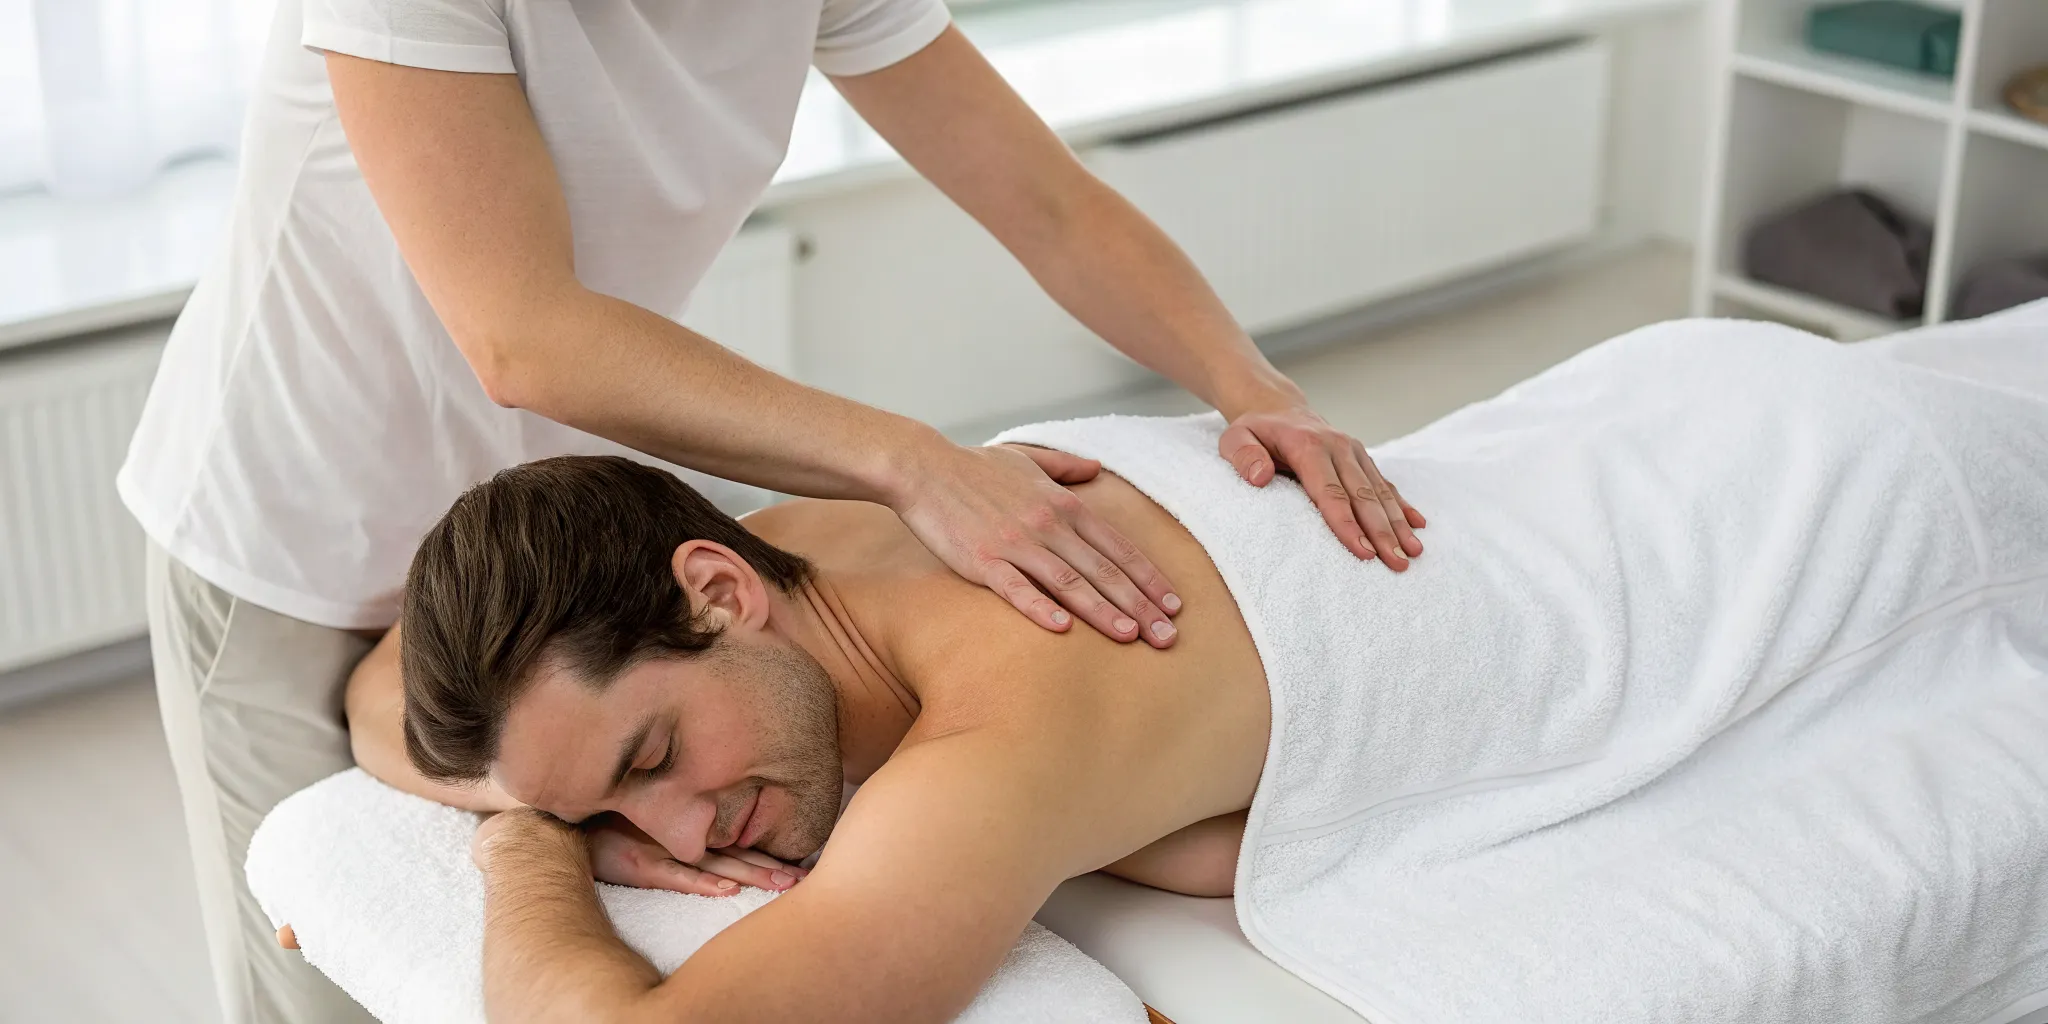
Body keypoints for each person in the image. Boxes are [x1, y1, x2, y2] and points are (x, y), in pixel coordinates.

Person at [119, 2, 1423, 1020]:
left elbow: (1047, 200)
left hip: (560, 526)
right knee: (328, 984)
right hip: (299, 533)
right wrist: (908, 461)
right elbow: (523, 335)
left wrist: (1256, 389)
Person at [334, 316, 2048, 1022]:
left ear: (715, 591)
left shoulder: (1004, 740)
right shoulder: (802, 541)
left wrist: (524, 851)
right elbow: (390, 689)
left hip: (1791, 519)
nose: (685, 839)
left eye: (650, 765)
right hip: (1631, 424)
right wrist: (558, 789)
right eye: (613, 815)